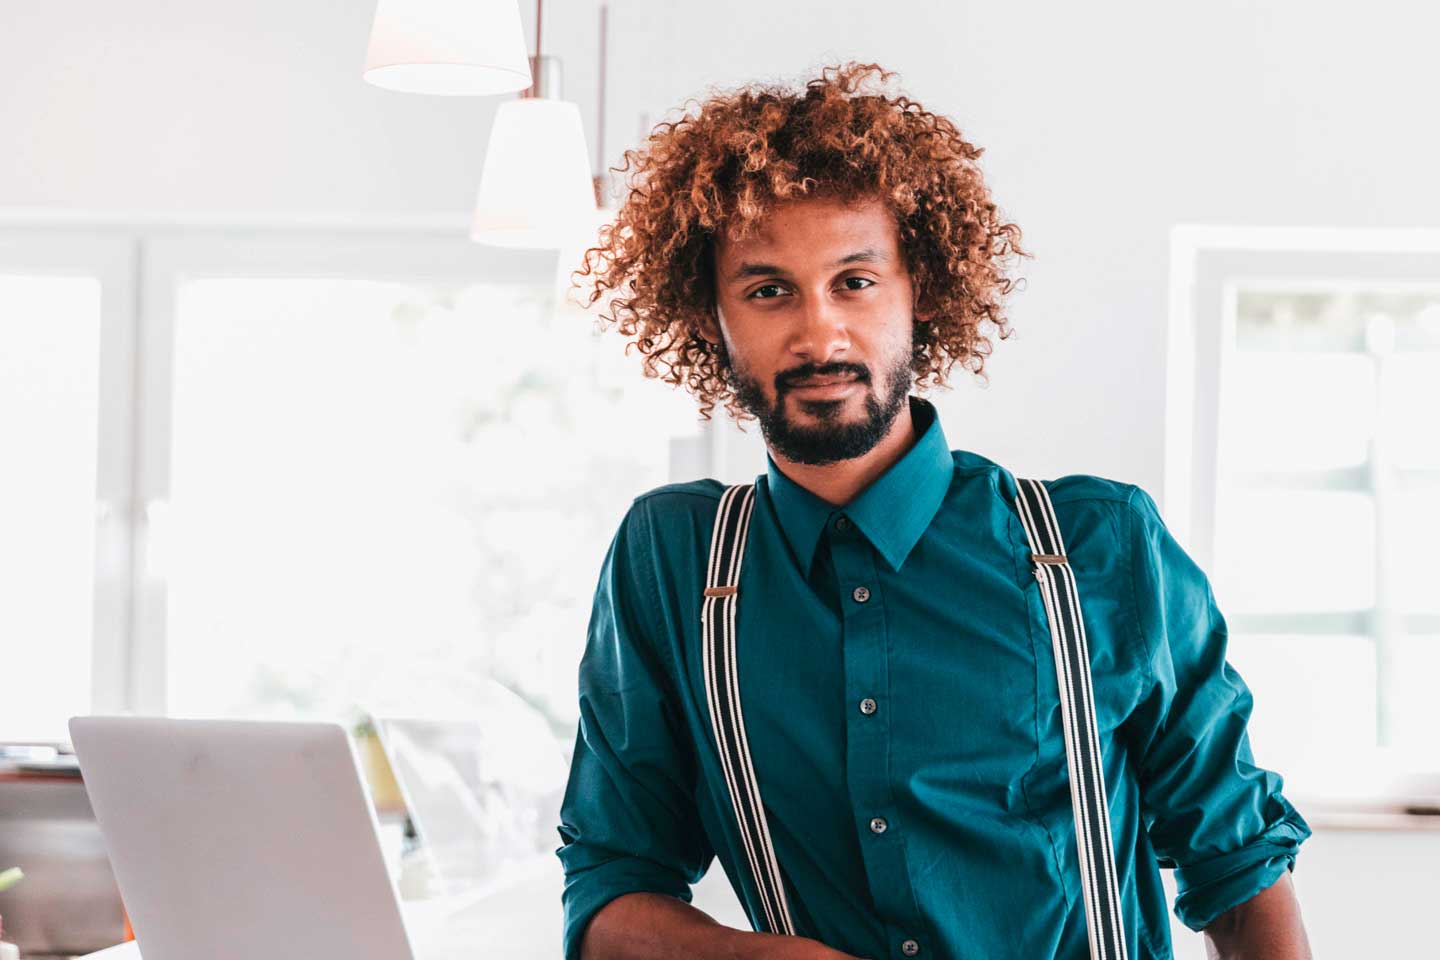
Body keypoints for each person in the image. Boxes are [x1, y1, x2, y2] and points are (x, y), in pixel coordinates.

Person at [555, 61, 1312, 960]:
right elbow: (608, 891)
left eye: (856, 281)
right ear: (707, 318)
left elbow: (1239, 866)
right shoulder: (670, 562)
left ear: (923, 292)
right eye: (767, 291)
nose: (818, 333)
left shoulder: (1101, 545)